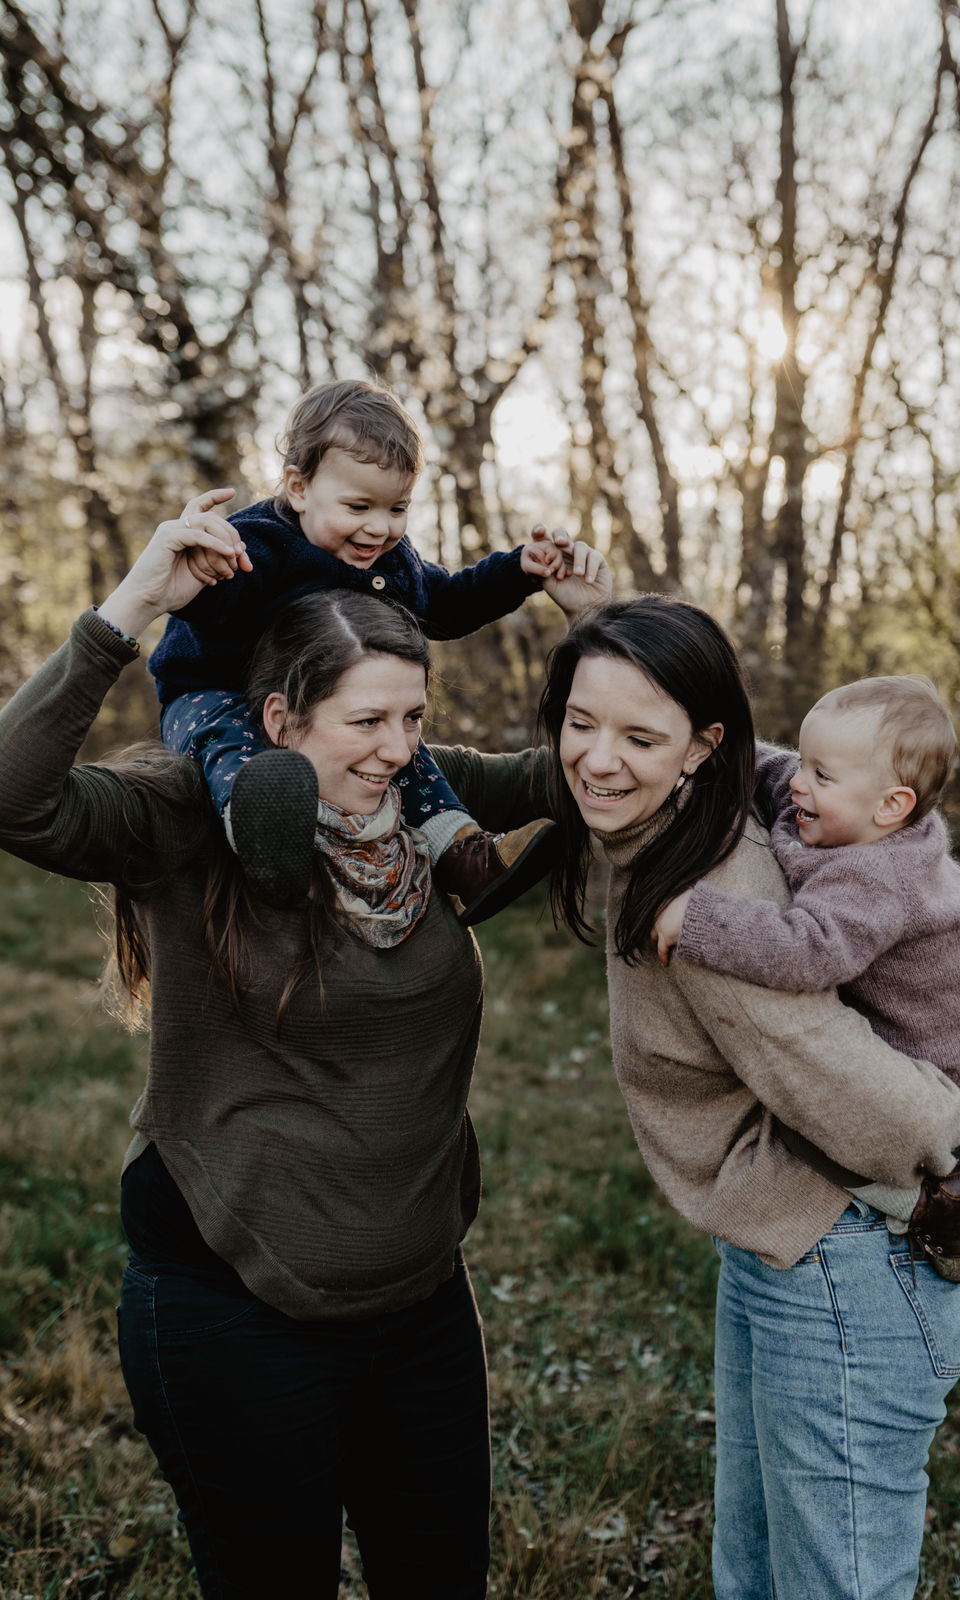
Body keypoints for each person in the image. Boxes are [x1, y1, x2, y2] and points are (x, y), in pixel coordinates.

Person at [0, 508, 553, 1600]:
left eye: (413, 715)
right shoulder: (186, 809)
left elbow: (587, 771)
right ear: (276, 719)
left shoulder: (418, 793)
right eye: (366, 720)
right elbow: (15, 797)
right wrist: (133, 607)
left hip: (421, 1303)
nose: (397, 748)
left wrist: (613, 639)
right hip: (232, 1300)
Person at [510, 594, 960, 1600]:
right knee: (759, 1571)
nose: (595, 757)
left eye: (637, 735)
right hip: (790, 1240)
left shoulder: (713, 892)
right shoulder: (687, 815)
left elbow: (900, 1118)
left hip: (849, 1254)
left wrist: (947, 1113)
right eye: (580, 723)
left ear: (695, 747)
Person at [148, 377, 610, 917]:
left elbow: (446, 602)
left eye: (397, 509)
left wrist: (517, 572)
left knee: (397, 747)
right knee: (232, 743)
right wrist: (204, 572)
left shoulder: (391, 562)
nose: (378, 528)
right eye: (358, 505)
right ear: (298, 488)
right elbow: (213, 612)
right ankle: (261, 837)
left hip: (327, 712)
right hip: (210, 690)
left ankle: (464, 859)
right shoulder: (259, 545)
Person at [647, 674, 960, 1281]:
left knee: (837, 1126)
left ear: (892, 805)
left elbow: (809, 950)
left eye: (822, 776)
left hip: (928, 1053)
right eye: (807, 762)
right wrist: (701, 745)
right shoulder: (842, 806)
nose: (799, 783)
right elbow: (769, 768)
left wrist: (702, 918)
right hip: (908, 1015)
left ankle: (935, 1200)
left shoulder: (876, 874)